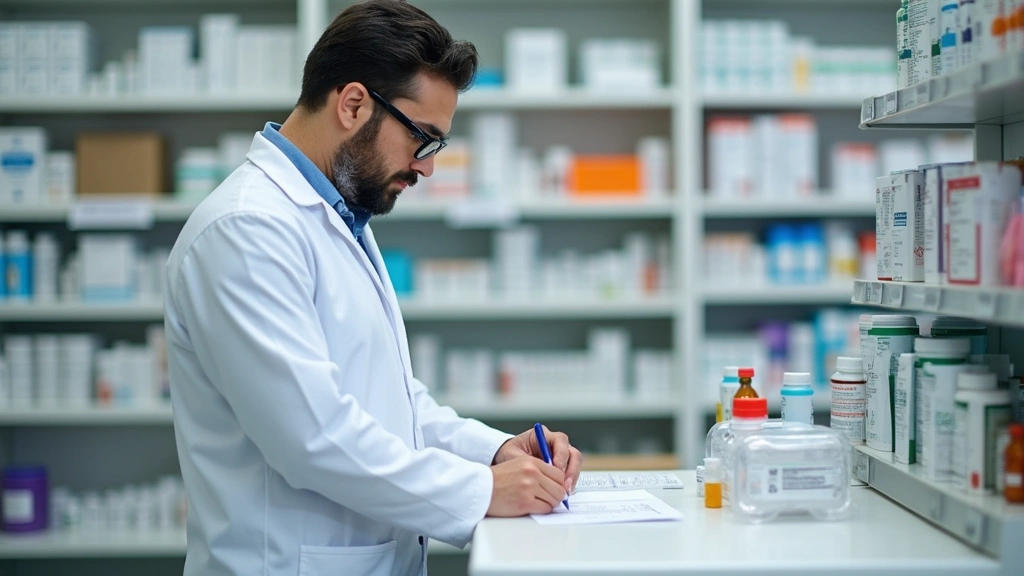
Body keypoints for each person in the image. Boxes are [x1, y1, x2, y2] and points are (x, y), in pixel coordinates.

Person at [163, 1, 582, 575]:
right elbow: (312, 437)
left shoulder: (336, 216)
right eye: (423, 139)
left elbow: (389, 401)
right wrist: (482, 490)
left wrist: (495, 451)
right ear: (354, 104)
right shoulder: (245, 229)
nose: (427, 168)